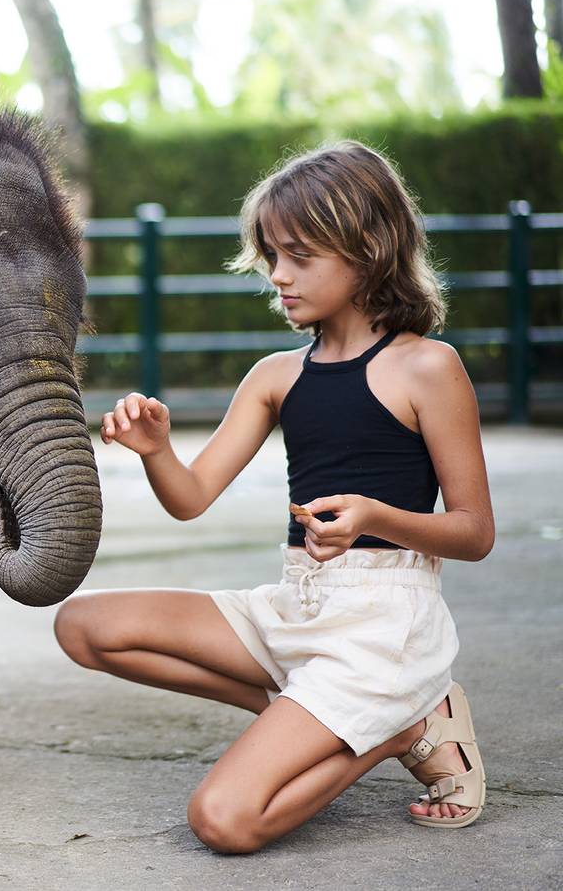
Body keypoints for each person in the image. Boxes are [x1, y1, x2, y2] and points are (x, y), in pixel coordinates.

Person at [53, 141, 495, 852]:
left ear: (367, 248)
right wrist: (157, 451)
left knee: (223, 821)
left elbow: (475, 532)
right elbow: (191, 498)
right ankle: (337, 714)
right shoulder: (276, 375)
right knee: (81, 625)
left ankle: (400, 727)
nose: (279, 277)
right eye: (271, 257)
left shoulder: (427, 367)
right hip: (295, 609)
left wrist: (375, 518)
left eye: (299, 256)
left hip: (381, 627)